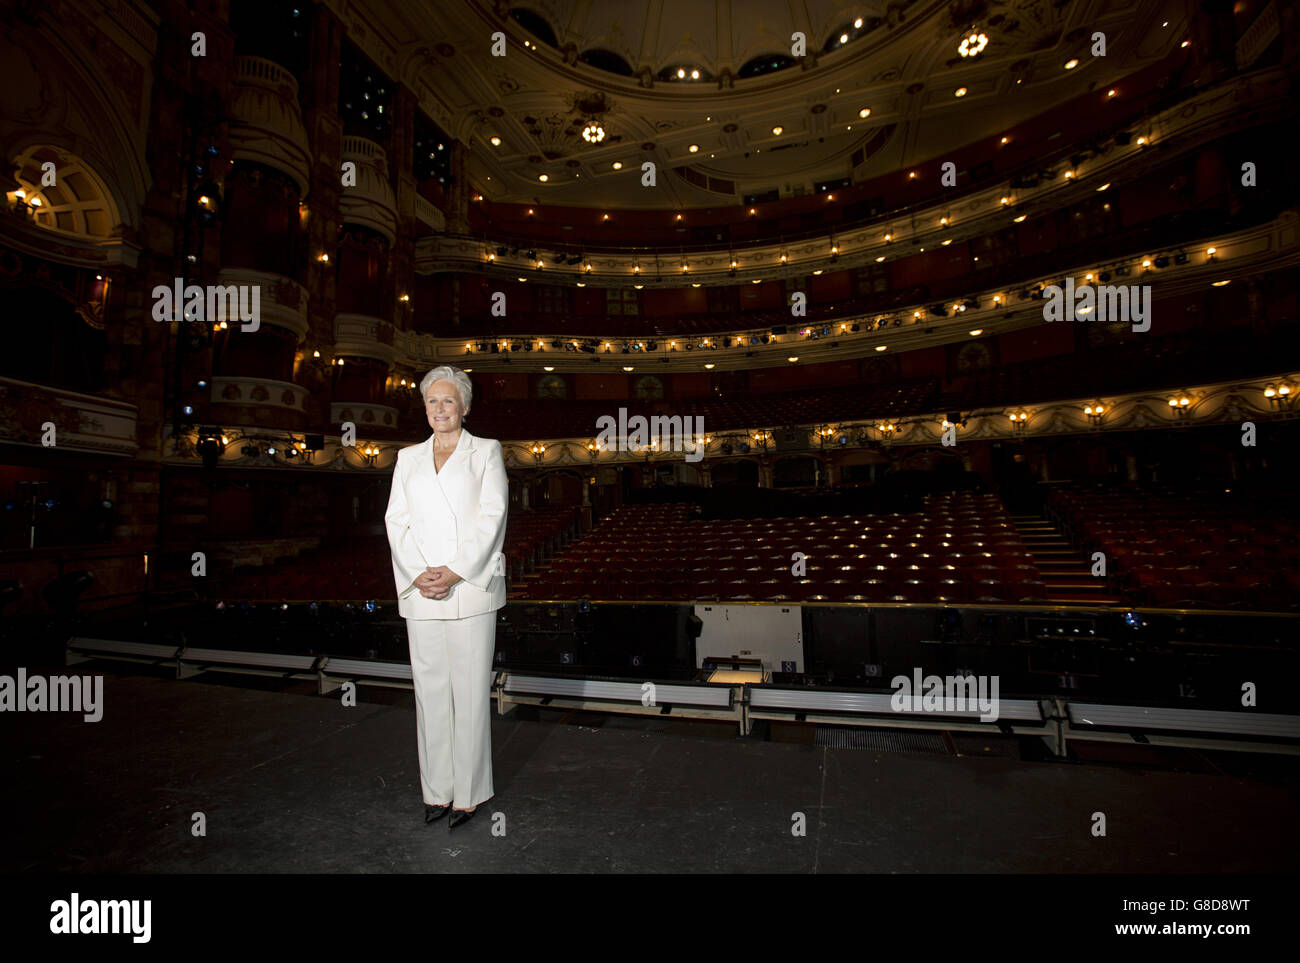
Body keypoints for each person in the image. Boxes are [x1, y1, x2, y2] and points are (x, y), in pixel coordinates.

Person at [385, 365, 508, 831]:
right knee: (430, 694)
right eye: (432, 401)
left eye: (448, 401)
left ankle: (470, 794)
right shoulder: (407, 457)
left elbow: (493, 516)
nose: (440, 409)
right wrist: (419, 574)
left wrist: (455, 571)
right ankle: (436, 791)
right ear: (424, 407)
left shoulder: (486, 452)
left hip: (470, 589)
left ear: (465, 406)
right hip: (421, 592)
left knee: (470, 694)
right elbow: (396, 521)